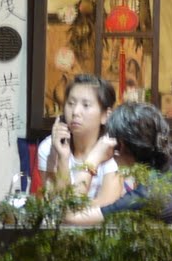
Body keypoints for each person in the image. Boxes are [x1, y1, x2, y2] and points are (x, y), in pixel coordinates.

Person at [64, 102, 172, 226]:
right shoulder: (170, 173)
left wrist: (93, 159)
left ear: (120, 144)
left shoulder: (147, 195)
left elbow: (71, 215)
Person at [38, 73, 123, 206]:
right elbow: (56, 206)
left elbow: (104, 209)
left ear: (105, 116)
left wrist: (92, 160)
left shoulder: (113, 152)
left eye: (86, 105)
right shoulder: (49, 147)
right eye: (71, 103)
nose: (75, 112)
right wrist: (63, 158)